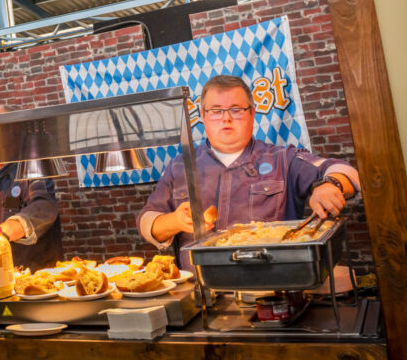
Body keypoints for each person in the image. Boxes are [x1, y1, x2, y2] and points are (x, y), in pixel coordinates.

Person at [137, 74, 360, 263]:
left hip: (271, 292)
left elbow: (343, 170)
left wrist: (331, 184)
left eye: (236, 110)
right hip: (200, 298)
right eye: (216, 111)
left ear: (252, 113)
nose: (226, 119)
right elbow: (147, 220)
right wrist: (174, 221)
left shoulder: (282, 159)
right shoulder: (179, 166)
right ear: (203, 116)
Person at [0, 105, 64, 271]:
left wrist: (5, 230)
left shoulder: (31, 167)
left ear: (11, 129)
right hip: (0, 273)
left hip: (38, 275)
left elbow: (44, 206)